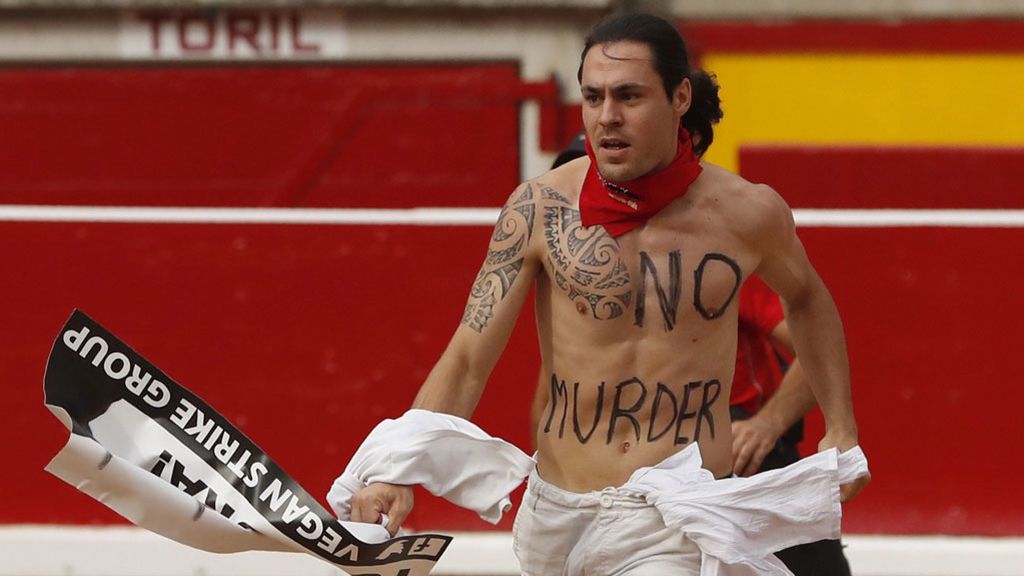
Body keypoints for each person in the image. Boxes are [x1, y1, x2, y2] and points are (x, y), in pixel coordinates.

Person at [347, 12, 869, 574]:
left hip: (674, 513)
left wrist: (842, 430)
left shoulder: (747, 213)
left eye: (629, 96)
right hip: (556, 514)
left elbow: (809, 300)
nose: (607, 117)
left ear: (680, 98)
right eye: (592, 97)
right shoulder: (538, 208)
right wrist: (396, 467)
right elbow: (469, 358)